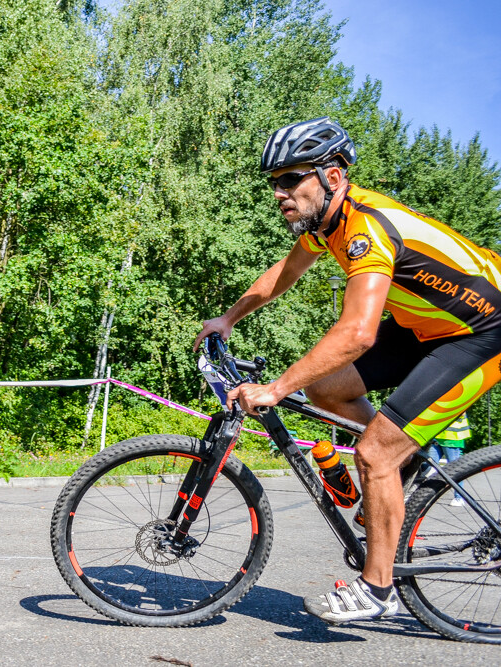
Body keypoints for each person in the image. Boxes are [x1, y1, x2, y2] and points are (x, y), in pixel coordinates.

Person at [193, 117, 501, 625]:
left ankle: (378, 590)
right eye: (274, 182)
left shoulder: (366, 229)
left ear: (332, 176)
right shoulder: (326, 224)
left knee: (374, 450)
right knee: (326, 388)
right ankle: (407, 468)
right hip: (426, 325)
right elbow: (284, 274)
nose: (279, 192)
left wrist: (275, 388)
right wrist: (229, 317)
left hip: (481, 332)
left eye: (291, 179)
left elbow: (357, 332)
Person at [424, 411, 471, 506]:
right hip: (437, 436)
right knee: (428, 467)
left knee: (456, 469)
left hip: (452, 438)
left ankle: (459, 497)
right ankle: (425, 496)